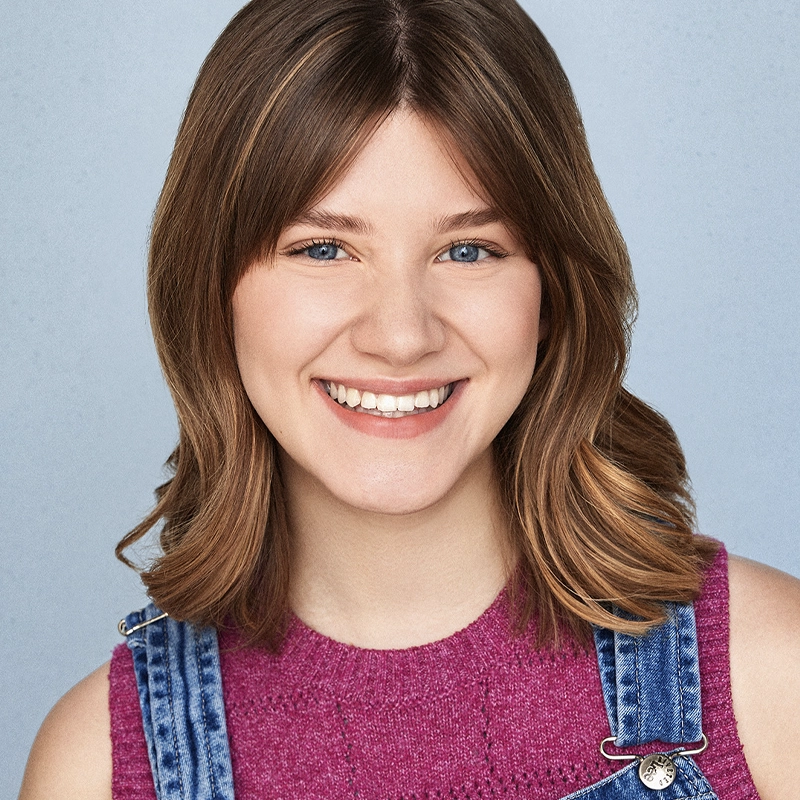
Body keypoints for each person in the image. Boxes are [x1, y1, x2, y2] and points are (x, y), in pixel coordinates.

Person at [18, 1, 800, 798]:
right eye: (324, 248)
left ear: (551, 293)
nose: (400, 336)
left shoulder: (771, 676)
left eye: (469, 250)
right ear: (213, 292)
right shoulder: (98, 769)